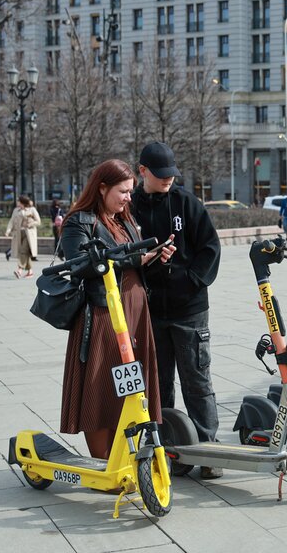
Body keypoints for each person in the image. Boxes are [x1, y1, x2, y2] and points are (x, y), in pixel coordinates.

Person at [59, 159, 174, 460]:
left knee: (129, 388)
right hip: (102, 315)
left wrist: (157, 259)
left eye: (130, 192)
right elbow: (80, 266)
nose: (128, 198)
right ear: (102, 187)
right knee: (101, 389)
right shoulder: (79, 221)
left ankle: (125, 456)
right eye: (122, 191)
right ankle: (103, 460)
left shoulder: (126, 221)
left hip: (134, 314)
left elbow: (137, 266)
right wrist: (134, 260)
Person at [130, 142, 223, 479]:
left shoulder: (186, 202)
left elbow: (210, 247)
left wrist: (190, 280)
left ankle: (208, 449)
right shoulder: (131, 209)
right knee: (159, 384)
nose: (168, 180)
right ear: (142, 171)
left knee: (197, 380)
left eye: (171, 174)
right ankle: (168, 449)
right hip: (151, 310)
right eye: (160, 174)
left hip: (190, 309)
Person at [5, 195, 41, 279]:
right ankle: (30, 272)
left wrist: (30, 224)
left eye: (19, 201)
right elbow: (11, 221)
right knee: (25, 253)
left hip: (29, 234)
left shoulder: (32, 210)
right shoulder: (16, 210)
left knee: (23, 251)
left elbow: (38, 221)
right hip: (18, 234)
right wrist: (8, 231)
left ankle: (19, 270)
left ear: (22, 202)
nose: (17, 202)